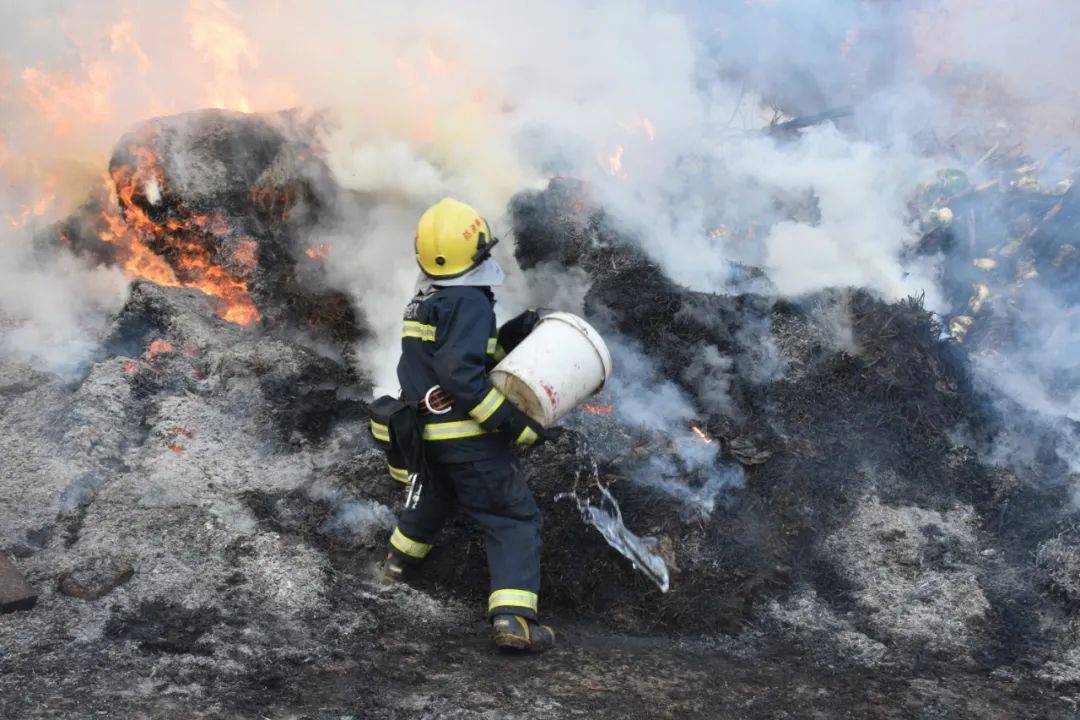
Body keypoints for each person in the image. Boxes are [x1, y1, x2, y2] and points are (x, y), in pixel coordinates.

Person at [375, 197, 555, 653]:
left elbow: (453, 360)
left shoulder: (425, 302)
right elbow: (463, 378)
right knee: (512, 517)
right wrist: (516, 425)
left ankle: (395, 564)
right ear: (474, 255)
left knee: (437, 497)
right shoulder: (469, 301)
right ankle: (514, 619)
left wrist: (512, 333)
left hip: (427, 437)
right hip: (468, 441)